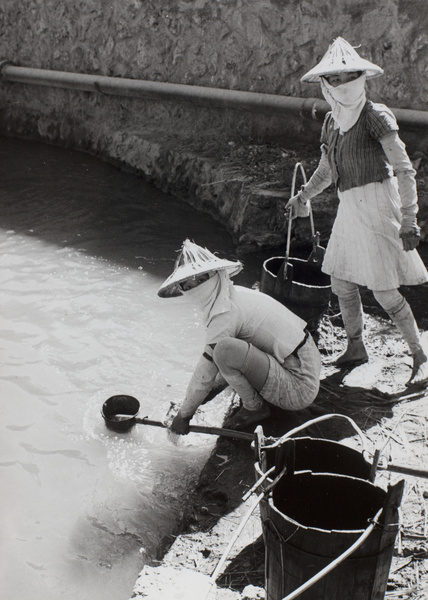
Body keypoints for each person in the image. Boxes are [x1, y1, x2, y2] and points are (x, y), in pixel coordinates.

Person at [286, 37, 428, 386]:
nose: (340, 85)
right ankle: (356, 346)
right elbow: (327, 169)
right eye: (333, 79)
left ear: (360, 79)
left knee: (384, 290)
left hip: (379, 204)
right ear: (326, 85)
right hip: (350, 207)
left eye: (347, 77)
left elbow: (405, 169)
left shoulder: (375, 116)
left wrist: (409, 218)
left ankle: (419, 355)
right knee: (341, 281)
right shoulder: (333, 123)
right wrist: (303, 196)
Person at [158, 239, 321, 434]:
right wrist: (192, 402)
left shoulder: (224, 313)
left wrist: (184, 415)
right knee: (227, 352)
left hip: (298, 388)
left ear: (212, 276)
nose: (191, 288)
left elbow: (207, 371)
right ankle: (249, 403)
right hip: (306, 363)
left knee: (224, 351)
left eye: (199, 280)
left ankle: (254, 408)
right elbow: (216, 371)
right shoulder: (234, 294)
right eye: (184, 285)